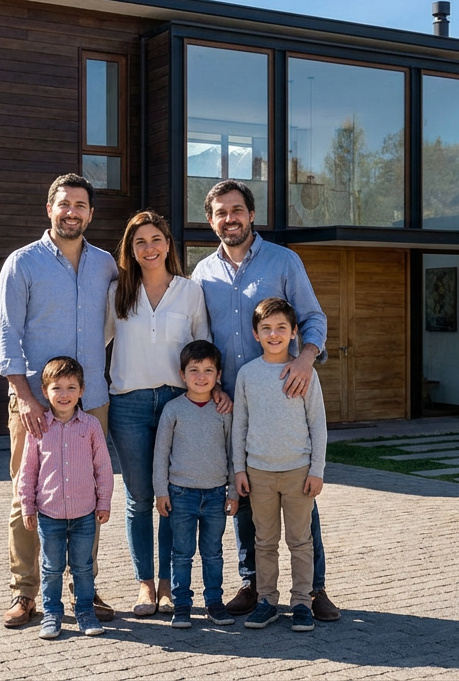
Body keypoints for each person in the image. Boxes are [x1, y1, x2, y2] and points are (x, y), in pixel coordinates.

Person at [190, 179, 340, 622]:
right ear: (211, 220)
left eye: (237, 210)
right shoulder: (203, 273)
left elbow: (313, 316)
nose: (229, 218)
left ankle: (313, 590)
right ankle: (255, 586)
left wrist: (306, 359)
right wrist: (211, 384)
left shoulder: (284, 261)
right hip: (230, 403)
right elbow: (201, 338)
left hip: (285, 398)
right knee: (245, 496)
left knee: (299, 502)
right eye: (221, 212)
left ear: (251, 214)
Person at [0, 173, 118, 628]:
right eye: (64, 204)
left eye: (81, 205)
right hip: (34, 402)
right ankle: (25, 593)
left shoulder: (106, 264)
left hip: (91, 401)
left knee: (86, 494)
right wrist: (23, 394)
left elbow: (111, 323)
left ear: (90, 213)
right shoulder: (22, 263)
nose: (72, 212)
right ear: (50, 208)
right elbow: (6, 333)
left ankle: (82, 588)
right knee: (25, 496)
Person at [105, 210, 212, 616]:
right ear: (130, 251)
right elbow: (94, 341)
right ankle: (145, 586)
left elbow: (203, 347)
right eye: (139, 242)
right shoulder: (117, 292)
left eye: (155, 239)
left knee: (171, 497)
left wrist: (211, 391)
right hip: (128, 404)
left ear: (168, 243)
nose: (149, 248)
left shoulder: (190, 291)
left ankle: (169, 585)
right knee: (139, 497)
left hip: (176, 402)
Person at [231, 298, 327, 632]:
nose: (274, 334)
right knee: (264, 541)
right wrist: (239, 470)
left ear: (294, 332)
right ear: (255, 334)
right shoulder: (247, 375)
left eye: (281, 328)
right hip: (258, 473)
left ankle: (302, 602)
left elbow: (318, 425)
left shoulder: (304, 373)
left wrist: (317, 470)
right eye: (266, 329)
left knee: (301, 541)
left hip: (298, 472)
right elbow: (239, 426)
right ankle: (267, 601)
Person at [18, 357, 114, 639]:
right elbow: (28, 471)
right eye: (57, 388)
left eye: (71, 387)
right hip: (50, 515)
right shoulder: (38, 428)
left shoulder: (92, 426)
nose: (64, 394)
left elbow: (103, 467)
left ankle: (85, 612)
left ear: (82, 391)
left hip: (85, 513)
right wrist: (28, 506)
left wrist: (104, 501)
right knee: (51, 568)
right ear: (45, 391)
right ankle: (52, 613)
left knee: (83, 567)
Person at [153, 340, 238, 629]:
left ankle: (215, 603)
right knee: (182, 553)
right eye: (194, 370)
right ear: (182, 374)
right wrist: (161, 492)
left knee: (213, 552)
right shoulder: (173, 409)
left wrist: (232, 491)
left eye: (208, 370)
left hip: (215, 495)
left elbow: (232, 452)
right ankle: (182, 605)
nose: (201, 376)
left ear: (219, 375)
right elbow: (161, 454)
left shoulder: (224, 410)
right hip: (181, 494)